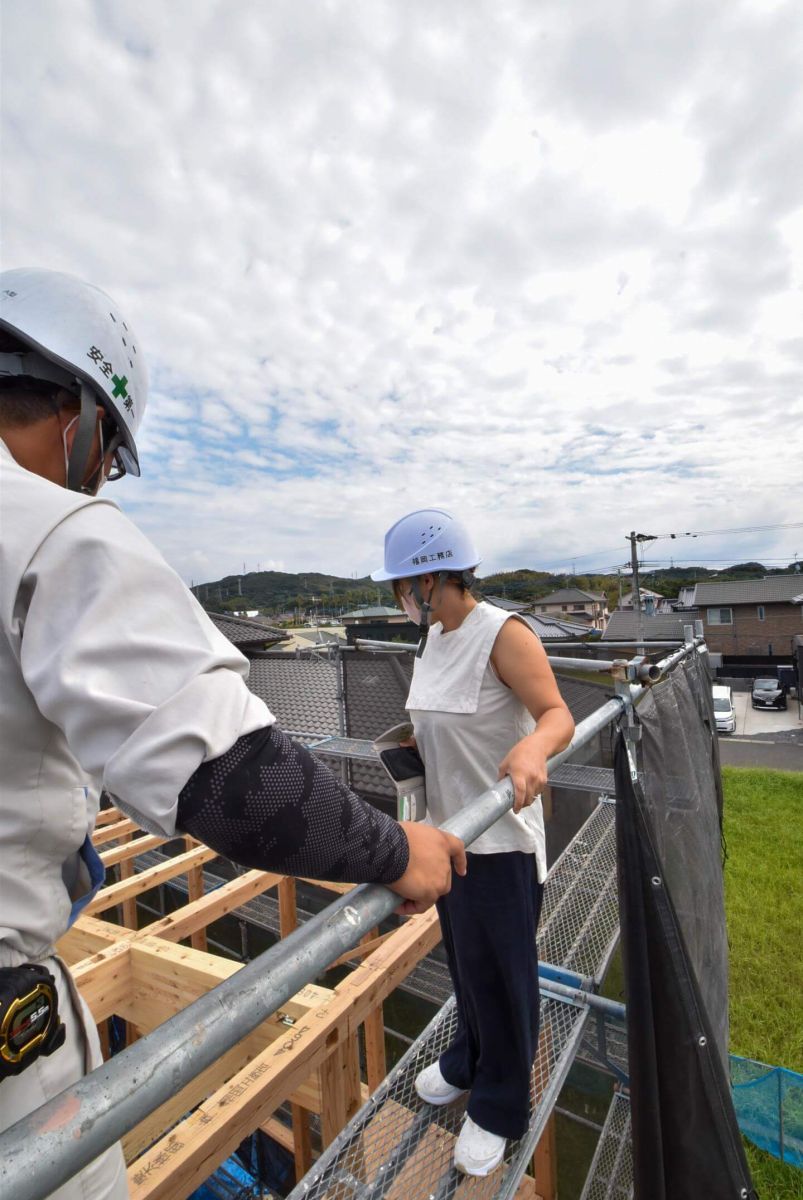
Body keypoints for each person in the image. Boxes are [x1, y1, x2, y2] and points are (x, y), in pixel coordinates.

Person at [0, 269, 466, 1200]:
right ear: (79, 419)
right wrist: (391, 847)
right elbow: (233, 776)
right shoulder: (49, 526)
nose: (99, 482)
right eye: (108, 460)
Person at [371, 509, 575, 1177]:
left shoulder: (502, 633)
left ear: (432, 578)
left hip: (502, 846)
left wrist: (531, 750)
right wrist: (414, 743)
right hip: (446, 837)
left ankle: (499, 1106)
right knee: (464, 966)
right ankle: (464, 1060)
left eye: (401, 586)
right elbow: (438, 719)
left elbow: (556, 715)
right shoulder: (430, 639)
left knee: (505, 978)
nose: (398, 599)